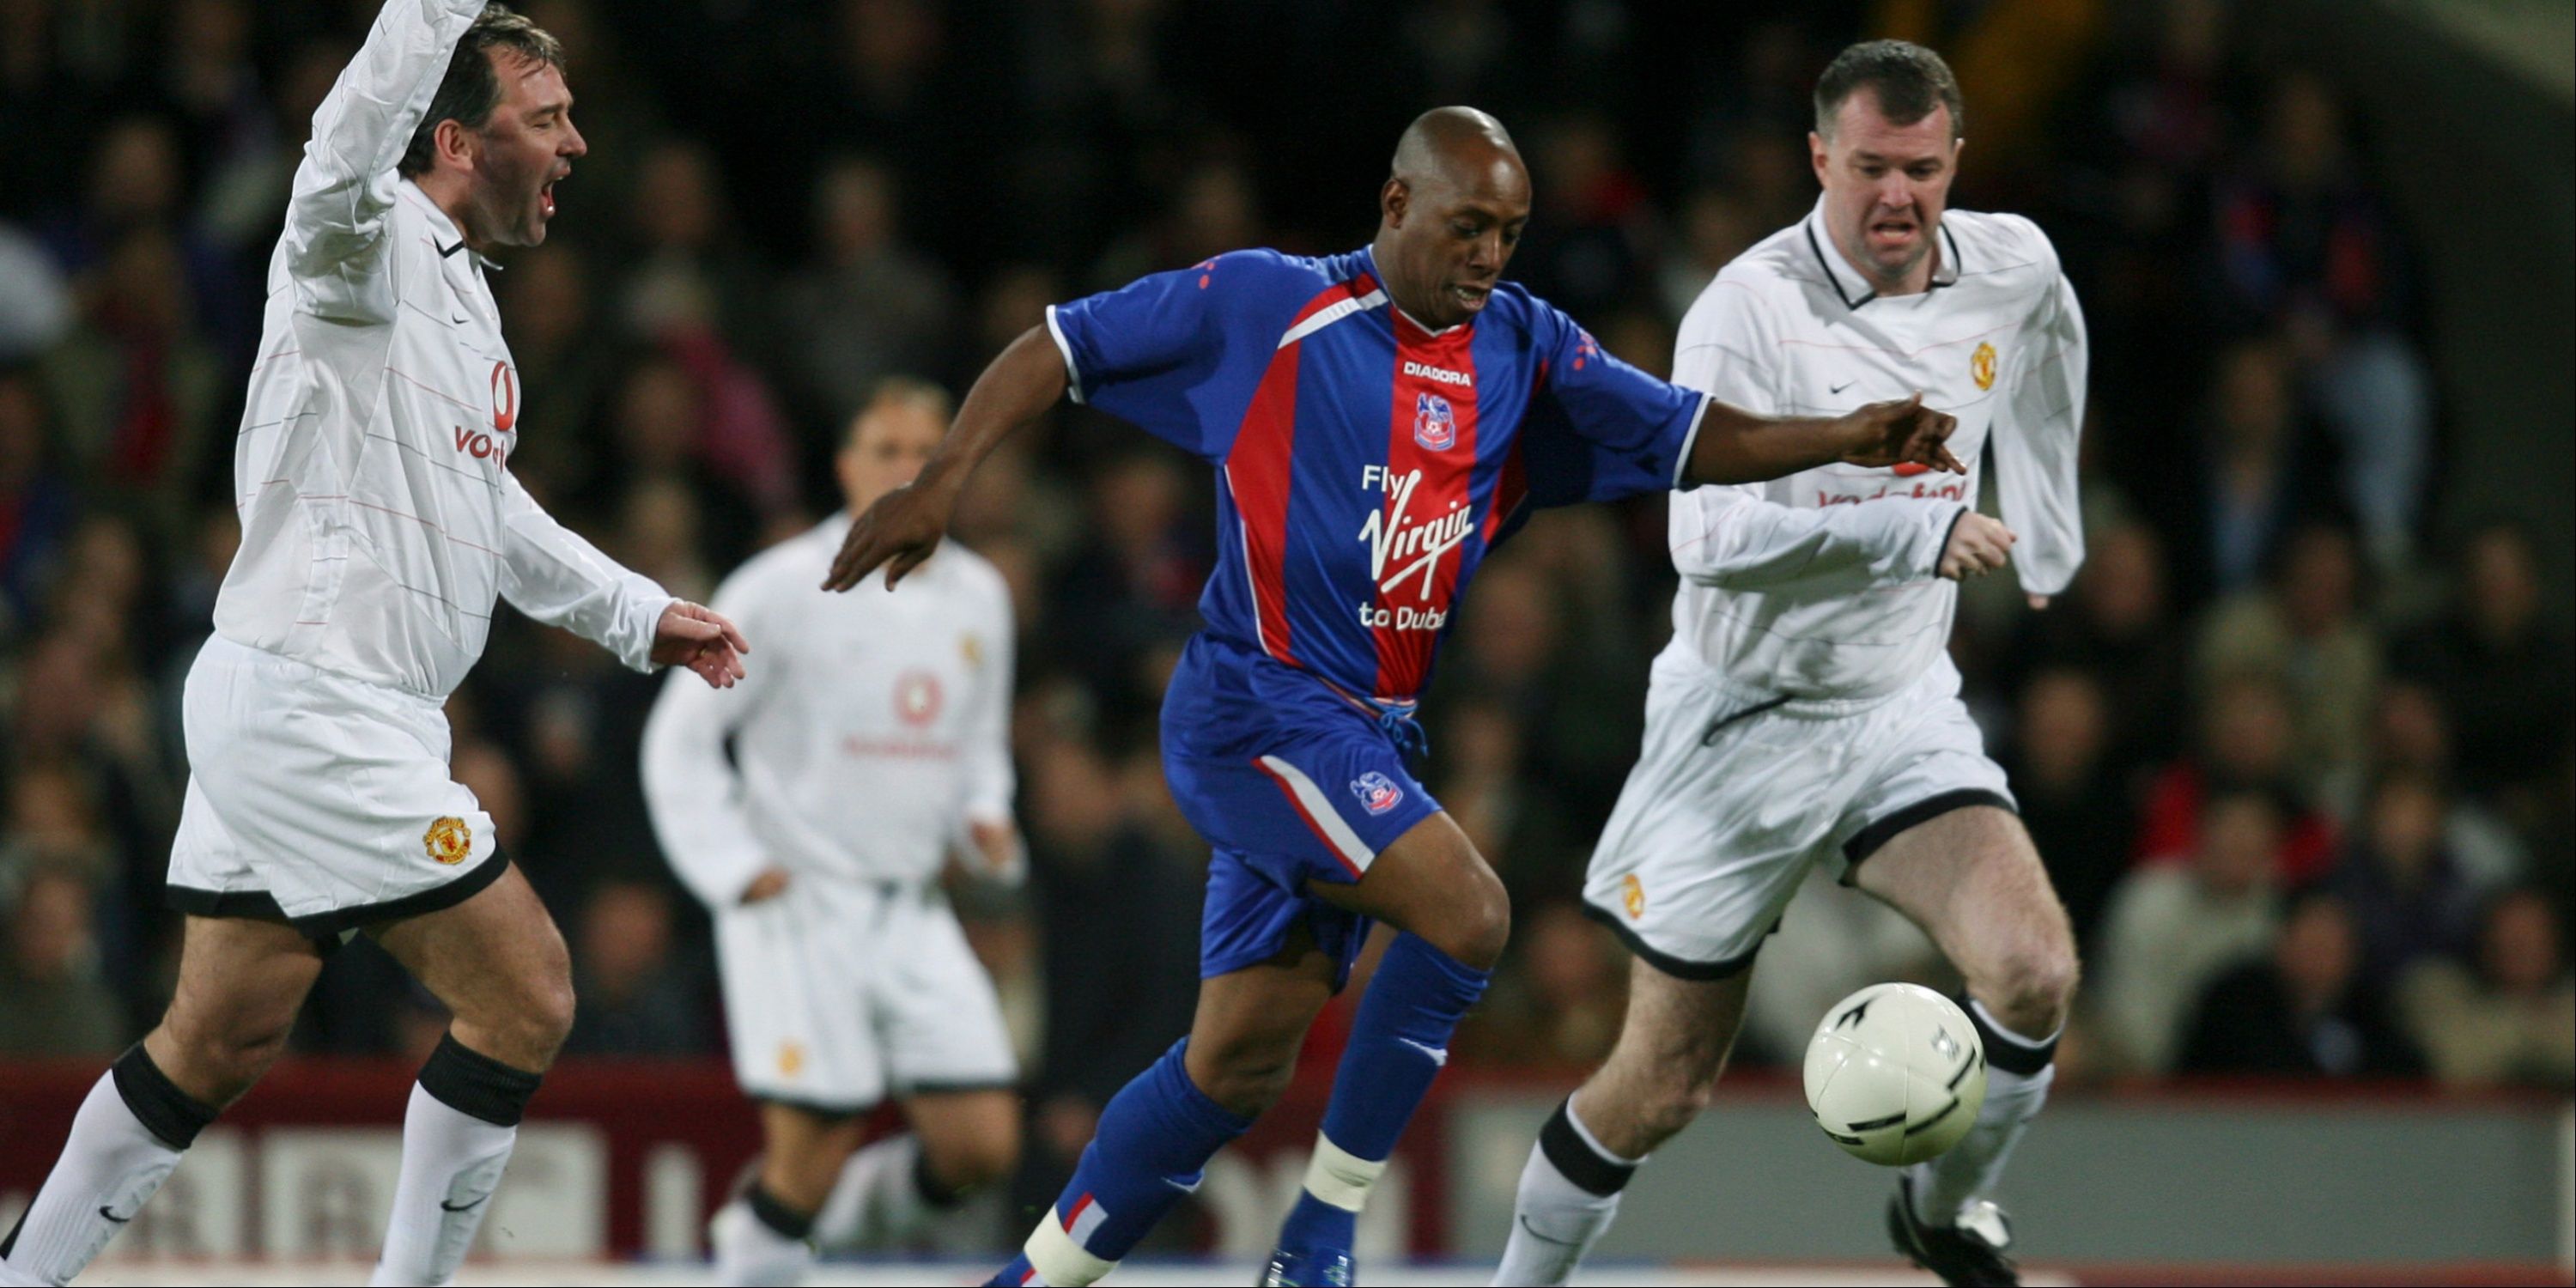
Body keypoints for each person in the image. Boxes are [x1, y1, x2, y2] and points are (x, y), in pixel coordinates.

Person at [824, 105, 1961, 1288]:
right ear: (1396, 203)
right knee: (1469, 915)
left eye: (1511, 234)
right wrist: (941, 478)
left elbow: (1682, 436)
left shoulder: (1523, 344)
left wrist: (1846, 436)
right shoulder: (1269, 307)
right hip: (1257, 709)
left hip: (1364, 734)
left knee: (1234, 1068)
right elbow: (1058, 345)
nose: (1488, 256)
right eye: (1468, 226)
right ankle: (1319, 1241)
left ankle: (1026, 1284)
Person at [0, 7, 749, 1286]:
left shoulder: (466, 299)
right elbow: (340, 156)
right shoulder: (363, 247)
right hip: (317, 701)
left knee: (215, 1040)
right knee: (528, 994)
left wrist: (639, 614)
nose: (576, 143)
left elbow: (493, 512)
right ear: (454, 137)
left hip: (315, 702)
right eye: (546, 117)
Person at [1492, 42, 2089, 1288]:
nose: (1896, 197)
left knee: (2034, 973)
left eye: (1921, 170)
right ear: (1820, 158)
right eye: (1868, 167)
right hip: (1744, 723)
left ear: (1955, 162)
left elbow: (2049, 347)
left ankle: (1940, 1212)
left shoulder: (2012, 262)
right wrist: (1909, 526)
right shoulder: (1745, 312)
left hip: (1896, 707)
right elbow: (1701, 538)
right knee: (1661, 1089)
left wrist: (2048, 518)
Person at [641, 380, 1023, 1285]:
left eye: (927, 454)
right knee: (817, 1138)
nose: (907, 470)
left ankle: (799, 1234)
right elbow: (681, 743)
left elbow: (979, 745)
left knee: (980, 1146)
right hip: (801, 901)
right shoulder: (780, 588)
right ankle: (768, 1251)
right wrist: (732, 866)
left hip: (914, 904)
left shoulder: (981, 597)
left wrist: (986, 821)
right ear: (847, 465)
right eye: (886, 451)